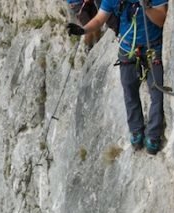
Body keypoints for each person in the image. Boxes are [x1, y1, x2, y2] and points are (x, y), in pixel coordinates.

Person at [67, 0, 168, 155]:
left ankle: (153, 135)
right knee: (129, 91)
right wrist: (83, 30)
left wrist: (146, 6)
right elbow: (100, 19)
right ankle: (136, 131)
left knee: (157, 93)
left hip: (152, 47)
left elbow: (161, 20)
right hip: (127, 49)